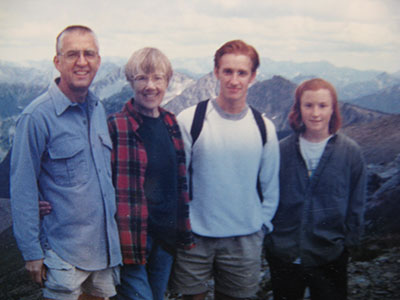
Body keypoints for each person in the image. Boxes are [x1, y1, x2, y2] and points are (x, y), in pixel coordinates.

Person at [10, 25, 121, 300]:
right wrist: (31, 252)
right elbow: (22, 187)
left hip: (104, 251)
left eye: (89, 54)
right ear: (57, 62)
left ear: (99, 61)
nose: (82, 62)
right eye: (72, 54)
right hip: (64, 254)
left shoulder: (97, 108)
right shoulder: (37, 117)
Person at [170, 40, 280, 300]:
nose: (234, 80)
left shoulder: (264, 128)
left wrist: (259, 226)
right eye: (227, 71)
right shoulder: (190, 120)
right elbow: (177, 180)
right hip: (195, 236)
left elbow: (270, 187)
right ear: (216, 71)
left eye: (242, 73)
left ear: (252, 77)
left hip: (244, 240)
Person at [264, 78, 367, 300]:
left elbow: (357, 202)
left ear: (333, 109)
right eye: (308, 105)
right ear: (298, 109)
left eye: (322, 105)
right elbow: (266, 196)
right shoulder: (281, 151)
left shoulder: (350, 153)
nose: (315, 113)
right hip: (284, 254)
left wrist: (346, 244)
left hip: (329, 255)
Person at [107, 47, 194, 300]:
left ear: (167, 81)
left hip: (165, 237)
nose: (150, 86)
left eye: (157, 78)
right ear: (130, 82)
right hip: (132, 238)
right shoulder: (116, 125)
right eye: (142, 78)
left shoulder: (171, 123)